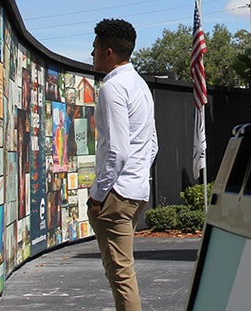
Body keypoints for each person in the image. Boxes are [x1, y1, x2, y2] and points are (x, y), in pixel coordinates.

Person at [86, 18, 157, 311]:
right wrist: (138, 177)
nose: (91, 54)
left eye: (94, 48)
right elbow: (152, 144)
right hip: (136, 190)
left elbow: (116, 150)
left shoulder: (113, 88)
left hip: (116, 195)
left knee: (121, 275)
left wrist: (98, 196)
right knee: (123, 272)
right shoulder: (139, 85)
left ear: (109, 52)